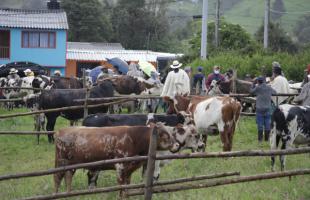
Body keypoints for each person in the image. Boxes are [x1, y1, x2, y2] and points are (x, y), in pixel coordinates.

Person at [250, 76, 276, 144]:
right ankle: (267, 140)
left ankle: (260, 140)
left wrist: (253, 84)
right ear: (264, 81)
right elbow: (275, 92)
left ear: (258, 82)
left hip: (259, 109)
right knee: (267, 124)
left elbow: (251, 92)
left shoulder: (258, 87)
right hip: (267, 108)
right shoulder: (268, 87)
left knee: (260, 125)